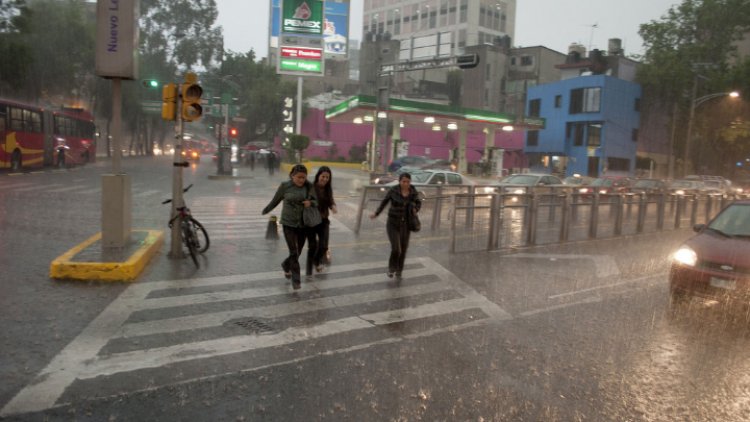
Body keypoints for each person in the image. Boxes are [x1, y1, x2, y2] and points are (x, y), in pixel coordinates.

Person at [262, 164, 317, 289]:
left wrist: (310, 202)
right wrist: (266, 209)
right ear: (292, 176)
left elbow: (316, 201)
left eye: (304, 178)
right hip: (288, 223)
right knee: (293, 251)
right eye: (299, 177)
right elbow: (275, 200)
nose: (301, 180)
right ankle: (296, 280)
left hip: (303, 224)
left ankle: (286, 265)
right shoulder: (285, 186)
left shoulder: (309, 186)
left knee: (298, 252)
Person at [370, 173, 421, 279]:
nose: (406, 184)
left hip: (406, 224)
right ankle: (391, 268)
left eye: (408, 181)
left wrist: (415, 209)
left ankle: (399, 270)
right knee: (396, 249)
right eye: (403, 181)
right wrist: (376, 213)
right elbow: (384, 202)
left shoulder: (412, 191)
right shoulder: (393, 190)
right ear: (399, 181)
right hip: (392, 223)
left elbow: (418, 202)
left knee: (403, 248)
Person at [309, 166, 337, 273]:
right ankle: (315, 263)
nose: (325, 179)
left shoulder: (328, 189)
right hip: (312, 221)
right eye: (323, 176)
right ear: (318, 176)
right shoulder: (311, 188)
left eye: (327, 177)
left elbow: (330, 200)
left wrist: (333, 206)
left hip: (324, 221)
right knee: (313, 245)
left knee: (324, 246)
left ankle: (316, 261)